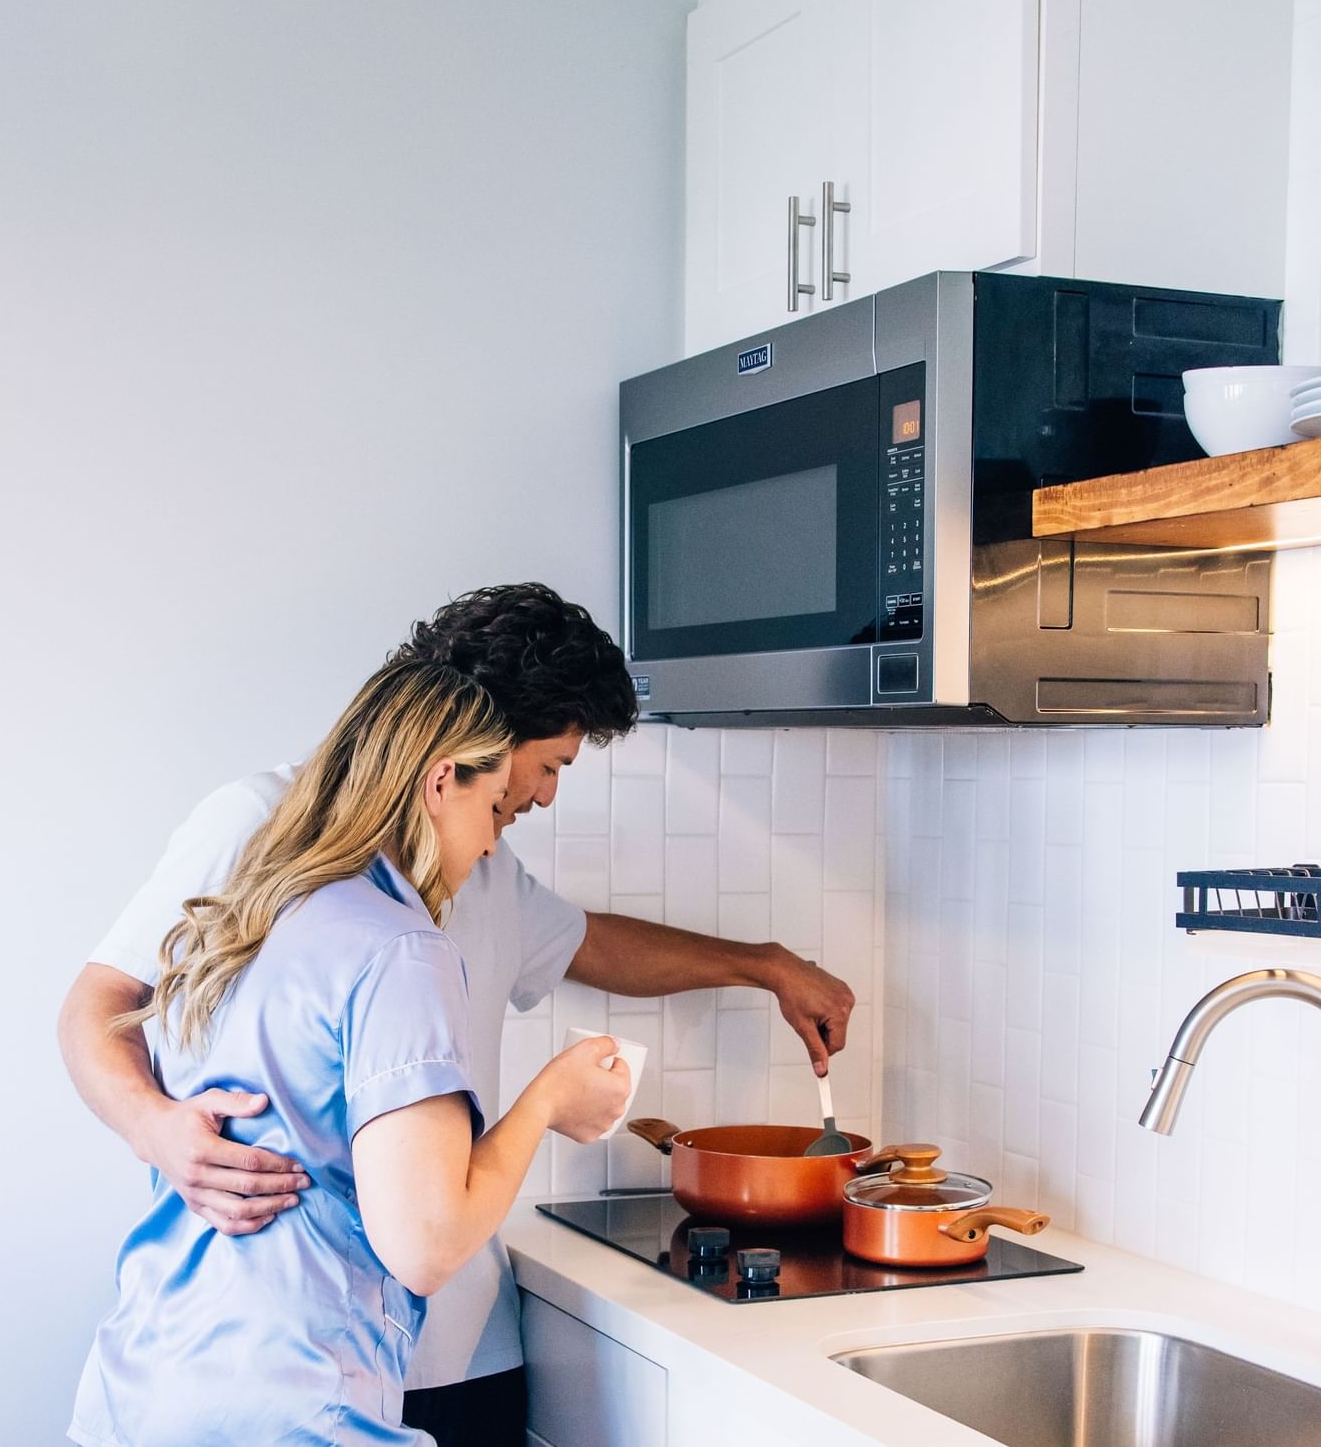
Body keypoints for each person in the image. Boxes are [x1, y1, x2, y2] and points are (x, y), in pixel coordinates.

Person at [58, 583, 857, 1443]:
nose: (545, 798)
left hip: (411, 1347)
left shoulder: (468, 872)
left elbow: (586, 943)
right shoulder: (279, 844)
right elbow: (97, 1005)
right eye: (549, 765)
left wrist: (762, 965)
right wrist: (156, 1129)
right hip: (315, 1356)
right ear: (466, 748)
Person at [70, 658, 632, 1447]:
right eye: (494, 804)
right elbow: (428, 1245)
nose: (493, 841)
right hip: (293, 1408)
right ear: (441, 784)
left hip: (142, 1389)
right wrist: (546, 1101)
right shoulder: (400, 947)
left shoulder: (255, 912)